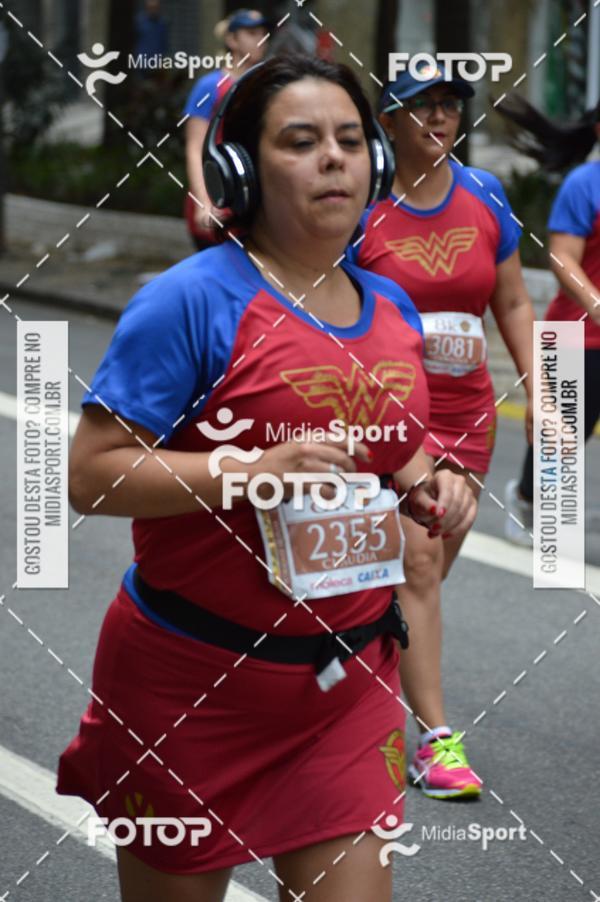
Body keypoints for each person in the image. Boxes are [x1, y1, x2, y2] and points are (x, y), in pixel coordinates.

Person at [57, 55, 476, 901]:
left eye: (352, 141)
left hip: (346, 686)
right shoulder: (188, 302)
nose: (335, 158)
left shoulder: (389, 309)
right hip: (190, 688)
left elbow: (399, 453)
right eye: (302, 140)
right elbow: (91, 477)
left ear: (378, 163)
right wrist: (247, 471)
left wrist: (436, 486)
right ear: (241, 169)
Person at [348, 63, 534, 799]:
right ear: (387, 120)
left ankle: (352, 694)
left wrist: (544, 393)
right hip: (391, 419)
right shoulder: (362, 206)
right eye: (421, 104)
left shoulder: (486, 196)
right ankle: (436, 743)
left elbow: (514, 303)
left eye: (451, 103)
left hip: (470, 418)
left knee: (414, 583)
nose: (440, 115)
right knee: (418, 570)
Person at [497, 94, 600, 545]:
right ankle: (525, 503)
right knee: (562, 436)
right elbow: (562, 259)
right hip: (577, 333)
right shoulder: (584, 184)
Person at [183, 9, 268, 250]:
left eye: (263, 33)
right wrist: (204, 203)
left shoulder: (264, 85)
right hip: (217, 200)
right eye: (251, 33)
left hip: (251, 205)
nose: (260, 39)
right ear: (232, 40)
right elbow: (194, 148)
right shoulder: (209, 86)